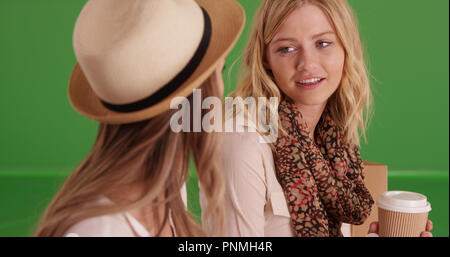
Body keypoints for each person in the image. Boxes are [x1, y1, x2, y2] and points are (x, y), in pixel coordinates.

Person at [200, 0, 433, 237]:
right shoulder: (241, 142)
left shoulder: (334, 146)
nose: (307, 64)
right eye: (287, 48)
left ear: (347, 48)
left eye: (323, 43)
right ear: (266, 58)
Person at [34, 0, 245, 237]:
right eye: (219, 71)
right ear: (197, 98)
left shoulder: (168, 193)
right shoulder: (99, 231)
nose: (221, 92)